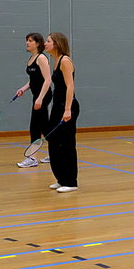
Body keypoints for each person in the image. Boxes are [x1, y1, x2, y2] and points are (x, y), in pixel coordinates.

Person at [44, 33, 80, 193]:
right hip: (57, 106)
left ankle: (71, 182)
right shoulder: (55, 61)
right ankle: (61, 178)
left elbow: (70, 86)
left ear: (57, 44)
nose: (45, 44)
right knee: (53, 140)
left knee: (67, 144)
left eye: (48, 41)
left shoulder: (65, 61)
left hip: (68, 106)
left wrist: (67, 109)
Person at [16, 33, 52, 168]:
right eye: (26, 40)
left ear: (38, 43)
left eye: (30, 41)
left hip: (43, 96)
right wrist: (23, 89)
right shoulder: (31, 58)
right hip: (37, 96)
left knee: (35, 127)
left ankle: (32, 158)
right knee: (45, 127)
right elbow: (34, 80)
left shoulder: (41, 58)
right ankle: (56, 152)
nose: (27, 43)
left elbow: (48, 80)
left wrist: (40, 98)